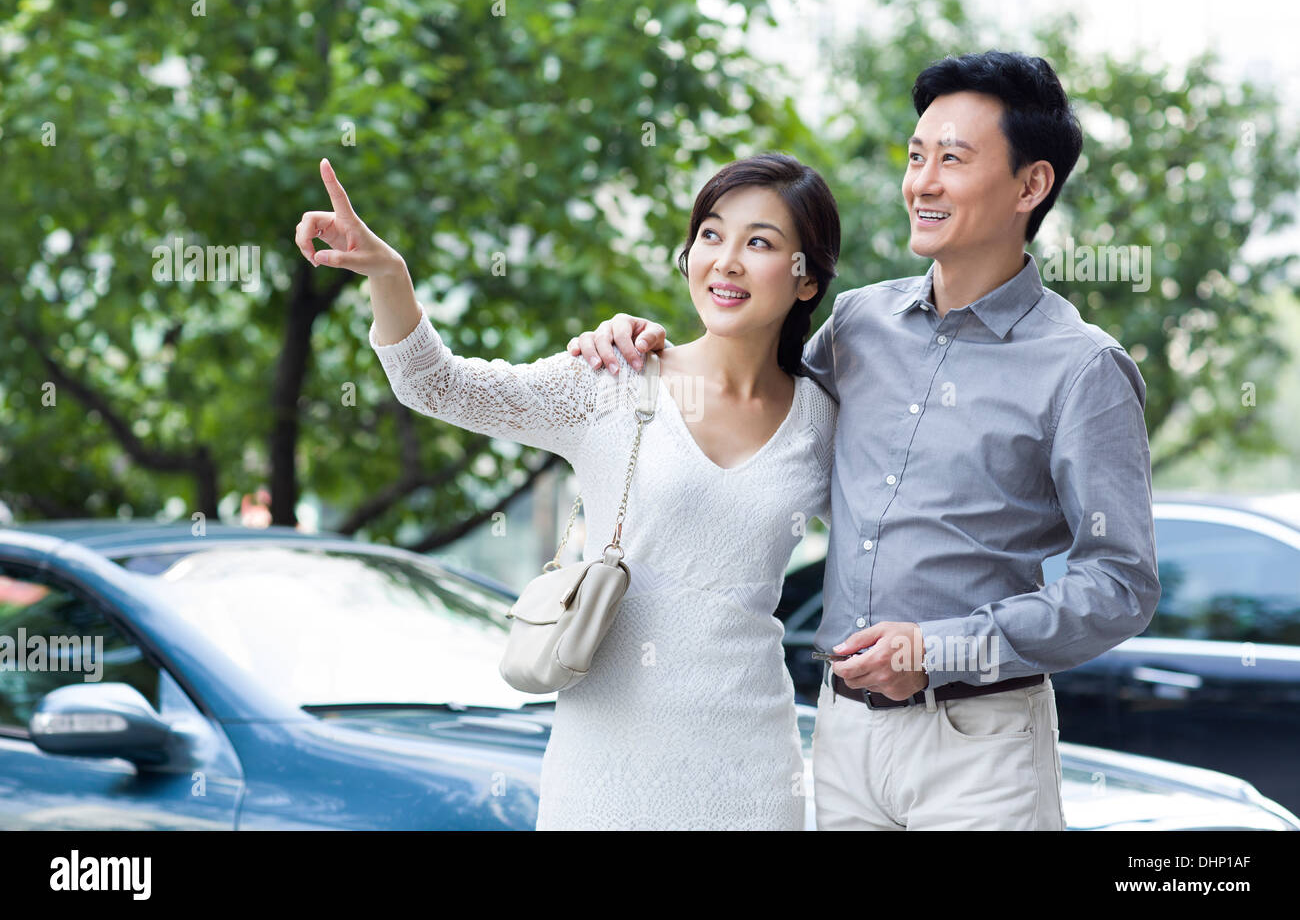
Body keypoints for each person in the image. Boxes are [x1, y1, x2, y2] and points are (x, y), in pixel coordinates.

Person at [567, 51, 1161, 830]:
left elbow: (1120, 584)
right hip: (841, 738)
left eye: (954, 158)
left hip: (979, 746)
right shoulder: (858, 326)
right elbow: (750, 403)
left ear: (1031, 184)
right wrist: (644, 344)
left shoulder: (1082, 368)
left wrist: (937, 649)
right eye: (917, 156)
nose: (923, 181)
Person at [294, 152, 841, 829]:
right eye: (711, 233)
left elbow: (886, 540)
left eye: (759, 242)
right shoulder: (614, 377)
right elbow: (436, 384)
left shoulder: (823, 419)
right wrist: (388, 273)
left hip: (754, 771)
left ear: (807, 279)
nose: (725, 260)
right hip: (605, 770)